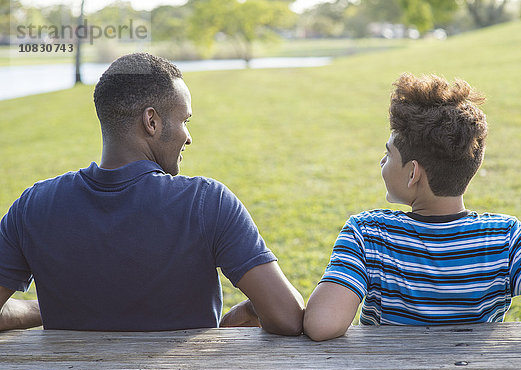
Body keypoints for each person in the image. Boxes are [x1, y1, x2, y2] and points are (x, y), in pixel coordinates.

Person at [0, 53, 304, 334]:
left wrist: (49, 308)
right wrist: (249, 308)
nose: (189, 138)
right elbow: (289, 317)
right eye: (184, 120)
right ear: (152, 121)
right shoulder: (207, 202)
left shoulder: (33, 206)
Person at [303, 73, 521, 341]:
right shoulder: (507, 237)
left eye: (388, 153)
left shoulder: (368, 234)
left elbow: (321, 325)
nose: (382, 162)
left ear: (412, 174)